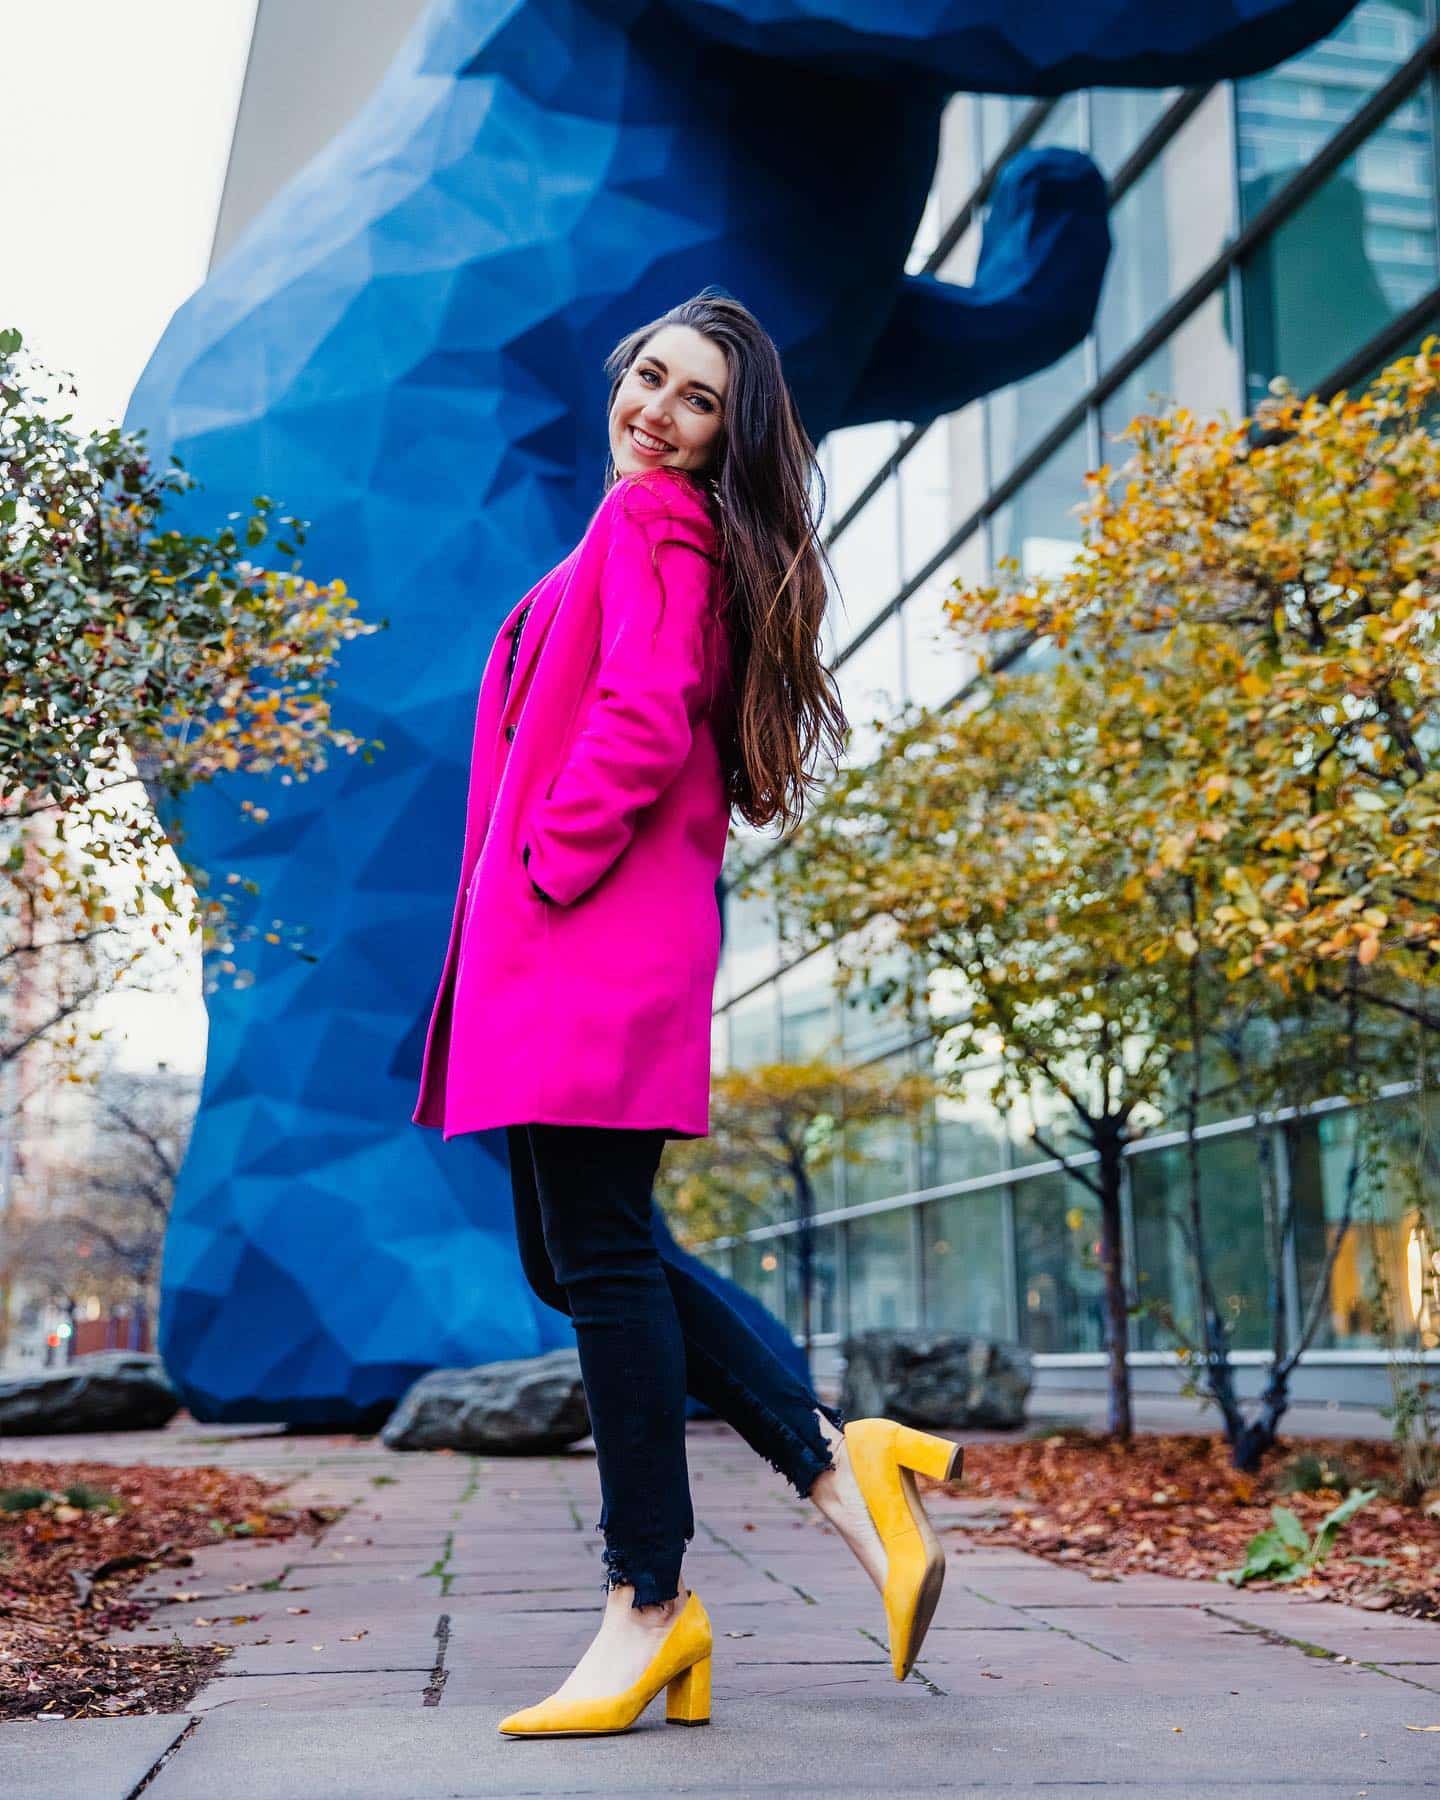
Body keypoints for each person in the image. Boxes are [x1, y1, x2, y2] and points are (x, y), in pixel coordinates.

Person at [411, 289, 963, 1737]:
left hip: (580, 929)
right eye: (648, 378)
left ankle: (648, 1606)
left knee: (593, 1254)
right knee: (582, 1250)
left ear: (731, 434)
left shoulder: (656, 522)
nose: (655, 410)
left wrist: (547, 861)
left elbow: (647, 712)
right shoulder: (664, 530)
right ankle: (842, 1468)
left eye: (696, 398)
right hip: (579, 936)